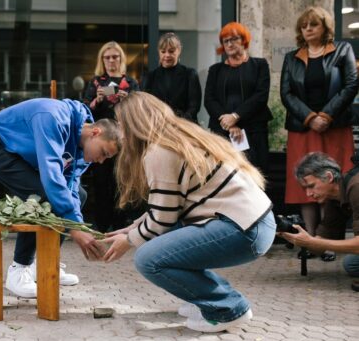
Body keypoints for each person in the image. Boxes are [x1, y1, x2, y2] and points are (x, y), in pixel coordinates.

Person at [102, 92, 276, 332]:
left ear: (134, 124)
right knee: (165, 238)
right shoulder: (180, 137)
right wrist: (133, 228)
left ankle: (228, 309)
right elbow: (169, 207)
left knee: (148, 259)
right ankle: (203, 300)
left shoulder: (158, 152)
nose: (120, 133)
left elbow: (161, 220)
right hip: (255, 223)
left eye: (121, 125)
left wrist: (128, 241)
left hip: (243, 229)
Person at [0, 98, 121, 298]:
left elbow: (70, 188)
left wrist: (78, 226)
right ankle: (19, 270)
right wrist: (74, 229)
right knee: (41, 196)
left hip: (22, 151)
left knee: (79, 194)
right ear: (95, 132)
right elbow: (51, 176)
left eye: (107, 158)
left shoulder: (82, 150)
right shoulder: (53, 117)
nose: (101, 161)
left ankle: (45, 262)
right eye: (103, 153)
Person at [280, 6, 358, 262]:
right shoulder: (292, 57)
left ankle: (329, 241)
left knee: (331, 180)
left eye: (313, 25)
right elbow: (286, 93)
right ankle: (309, 239)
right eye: (304, 26)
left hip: (334, 126)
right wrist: (310, 117)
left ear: (325, 27)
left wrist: (326, 115)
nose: (308, 29)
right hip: (303, 128)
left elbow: (351, 84)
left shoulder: (342, 50)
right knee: (305, 182)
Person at [279, 152, 359, 291]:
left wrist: (312, 242)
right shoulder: (334, 199)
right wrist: (292, 234)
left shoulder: (356, 187)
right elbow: (319, 245)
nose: (308, 194)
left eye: (311, 186)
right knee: (351, 264)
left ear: (328, 177)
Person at [83, 41, 140, 233]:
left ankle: (119, 224)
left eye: (115, 56)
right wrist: (97, 100)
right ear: (102, 60)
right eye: (107, 57)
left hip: (124, 140)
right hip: (100, 140)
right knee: (100, 183)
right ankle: (101, 224)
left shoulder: (130, 83)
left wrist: (127, 100)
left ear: (121, 59)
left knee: (122, 182)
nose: (111, 60)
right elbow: (85, 111)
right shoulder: (96, 82)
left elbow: (139, 110)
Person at [204, 22, 272, 174]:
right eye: (226, 41)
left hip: (254, 130)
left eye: (234, 39)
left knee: (255, 175)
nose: (229, 44)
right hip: (222, 132)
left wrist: (235, 116)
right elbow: (209, 99)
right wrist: (229, 123)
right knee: (222, 175)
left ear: (244, 40)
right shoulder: (215, 70)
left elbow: (261, 96)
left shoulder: (260, 65)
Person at [143, 32, 202, 123]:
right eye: (163, 51)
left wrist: (178, 123)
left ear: (179, 50)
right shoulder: (150, 77)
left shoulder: (190, 74)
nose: (167, 55)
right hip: (158, 127)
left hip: (185, 127)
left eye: (171, 51)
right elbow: (146, 106)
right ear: (159, 52)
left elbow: (194, 106)